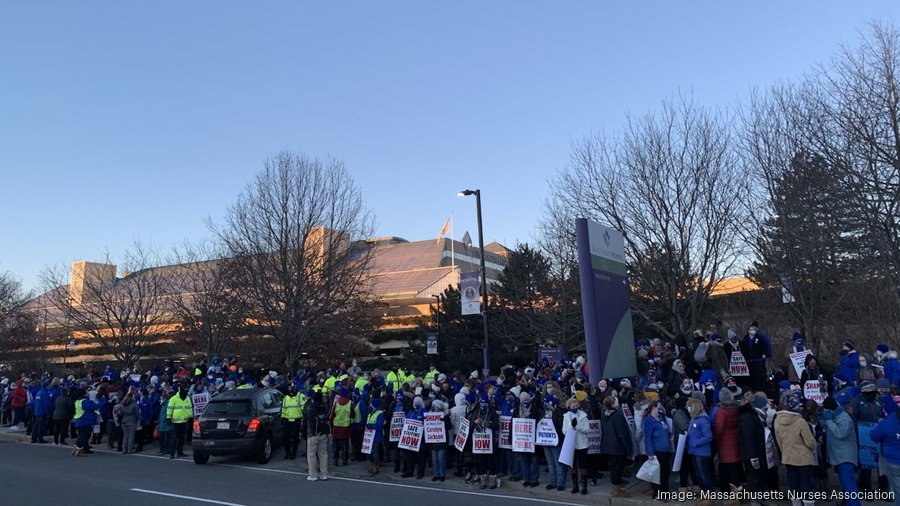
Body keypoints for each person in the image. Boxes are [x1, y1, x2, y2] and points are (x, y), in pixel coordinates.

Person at [774, 392, 816, 506]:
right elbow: (809, 441)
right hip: (803, 457)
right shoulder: (800, 421)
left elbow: (779, 441)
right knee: (805, 483)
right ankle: (807, 503)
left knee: (793, 482)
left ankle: (796, 503)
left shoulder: (777, 421)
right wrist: (813, 446)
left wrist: (785, 451)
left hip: (788, 456)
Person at [819, 396, 860, 506]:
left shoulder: (845, 419)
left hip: (846, 457)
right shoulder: (835, 415)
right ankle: (846, 503)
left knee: (848, 484)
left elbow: (840, 433)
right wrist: (822, 418)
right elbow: (826, 427)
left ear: (830, 409)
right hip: (840, 456)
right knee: (845, 483)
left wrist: (828, 420)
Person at [739, 393, 768, 506]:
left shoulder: (754, 416)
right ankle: (755, 500)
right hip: (752, 453)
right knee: (753, 476)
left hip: (757, 451)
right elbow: (747, 438)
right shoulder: (748, 417)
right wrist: (752, 456)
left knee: (759, 475)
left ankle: (761, 499)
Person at [714, 385, 743, 501]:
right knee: (734, 469)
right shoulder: (736, 410)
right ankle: (738, 492)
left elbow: (719, 429)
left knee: (726, 470)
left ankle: (729, 494)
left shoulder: (721, 412)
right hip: (735, 442)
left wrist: (715, 439)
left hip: (725, 444)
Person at [869, 399, 900, 506]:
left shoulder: (887, 423)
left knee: (897, 490)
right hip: (894, 460)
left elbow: (873, 436)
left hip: (893, 461)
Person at [600, 394, 632, 497]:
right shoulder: (617, 416)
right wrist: (628, 447)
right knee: (617, 468)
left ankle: (616, 486)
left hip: (607, 445)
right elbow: (622, 433)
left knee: (613, 468)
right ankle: (616, 490)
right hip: (617, 446)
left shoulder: (604, 414)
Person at [642, 399, 673, 499]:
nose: (661, 409)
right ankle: (657, 493)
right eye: (659, 407)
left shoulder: (661, 418)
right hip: (656, 451)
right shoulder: (648, 421)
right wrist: (650, 453)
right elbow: (647, 438)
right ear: (653, 408)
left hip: (665, 450)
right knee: (657, 475)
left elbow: (665, 429)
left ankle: (665, 492)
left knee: (665, 472)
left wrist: (670, 435)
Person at [686, 398, 714, 506]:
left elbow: (709, 436)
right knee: (699, 475)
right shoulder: (694, 419)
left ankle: (709, 498)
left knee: (703, 475)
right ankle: (704, 496)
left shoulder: (703, 420)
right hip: (694, 451)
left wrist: (695, 443)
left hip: (701, 452)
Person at [564, 397, 591, 495]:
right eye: (572, 407)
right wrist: (571, 427)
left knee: (583, 465)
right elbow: (564, 430)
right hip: (571, 443)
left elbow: (587, 429)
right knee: (573, 465)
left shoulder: (583, 415)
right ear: (569, 407)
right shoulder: (566, 416)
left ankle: (584, 486)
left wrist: (578, 427)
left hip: (582, 443)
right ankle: (575, 486)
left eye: (576, 406)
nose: (574, 408)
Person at [541, 395, 567, 491]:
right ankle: (552, 482)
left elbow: (561, 429)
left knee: (558, 463)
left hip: (556, 442)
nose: (545, 406)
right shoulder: (543, 413)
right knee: (550, 463)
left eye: (547, 404)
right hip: (546, 442)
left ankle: (560, 483)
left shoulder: (559, 414)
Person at [303, 391, 330, 481]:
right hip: (324, 433)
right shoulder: (325, 408)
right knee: (323, 454)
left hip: (313, 433)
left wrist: (302, 432)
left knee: (311, 455)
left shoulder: (310, 408)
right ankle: (324, 474)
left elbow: (306, 420)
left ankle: (313, 475)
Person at [72, 386, 106, 456]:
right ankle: (78, 449)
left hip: (80, 420)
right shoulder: (86, 402)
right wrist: (102, 400)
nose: (89, 392)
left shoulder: (79, 401)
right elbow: (96, 406)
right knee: (84, 436)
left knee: (82, 435)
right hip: (85, 421)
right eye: (87, 391)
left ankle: (77, 448)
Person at [166, 381, 193, 459]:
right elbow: (169, 409)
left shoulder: (188, 398)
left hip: (184, 421)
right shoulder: (174, 399)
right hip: (175, 422)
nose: (185, 391)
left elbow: (189, 409)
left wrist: (190, 417)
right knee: (174, 438)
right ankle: (172, 453)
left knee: (181, 438)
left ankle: (180, 452)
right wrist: (168, 417)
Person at [428, 399, 450, 481]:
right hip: (433, 440)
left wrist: (443, 421)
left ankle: (442, 474)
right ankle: (436, 474)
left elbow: (449, 427)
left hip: (442, 441)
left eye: (435, 406)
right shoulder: (429, 416)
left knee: (441, 459)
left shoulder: (445, 416)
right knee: (434, 459)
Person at [282, 383, 303, 460]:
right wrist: (282, 418)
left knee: (295, 438)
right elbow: (283, 409)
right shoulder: (285, 398)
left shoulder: (300, 396)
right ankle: (287, 452)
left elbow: (304, 408)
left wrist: (303, 420)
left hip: (297, 420)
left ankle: (293, 453)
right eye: (290, 388)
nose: (291, 389)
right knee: (286, 437)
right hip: (287, 420)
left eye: (292, 387)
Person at [366, 397, 385, 475]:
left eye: (371, 404)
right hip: (369, 436)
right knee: (369, 452)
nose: (370, 405)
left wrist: (370, 426)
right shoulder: (371, 413)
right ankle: (371, 463)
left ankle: (375, 466)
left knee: (375, 452)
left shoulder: (380, 414)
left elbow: (379, 426)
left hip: (377, 436)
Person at [157, 392, 172, 456]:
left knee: (166, 439)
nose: (160, 400)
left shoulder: (168, 404)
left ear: (165, 398)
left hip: (166, 425)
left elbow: (167, 414)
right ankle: (162, 450)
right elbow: (161, 415)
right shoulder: (162, 405)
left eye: (161, 398)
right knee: (161, 439)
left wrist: (163, 420)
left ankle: (167, 450)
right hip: (161, 425)